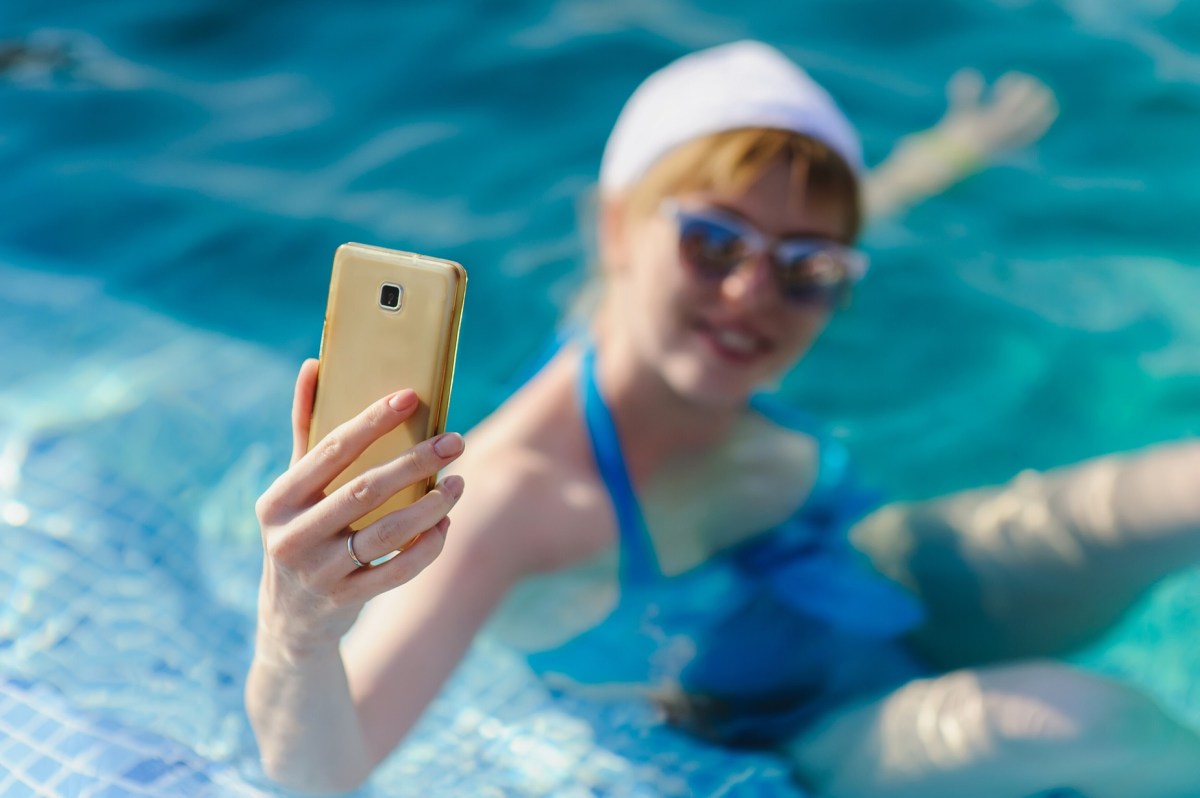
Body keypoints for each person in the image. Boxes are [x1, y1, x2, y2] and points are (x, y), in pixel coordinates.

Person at [246, 41, 1200, 797]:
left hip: (868, 575)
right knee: (1070, 720)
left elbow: (801, 221)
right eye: (713, 243)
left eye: (810, 269)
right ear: (617, 229)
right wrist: (300, 624)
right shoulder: (519, 496)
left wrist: (948, 155)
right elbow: (324, 769)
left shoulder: (659, 305)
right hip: (791, 733)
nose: (753, 294)